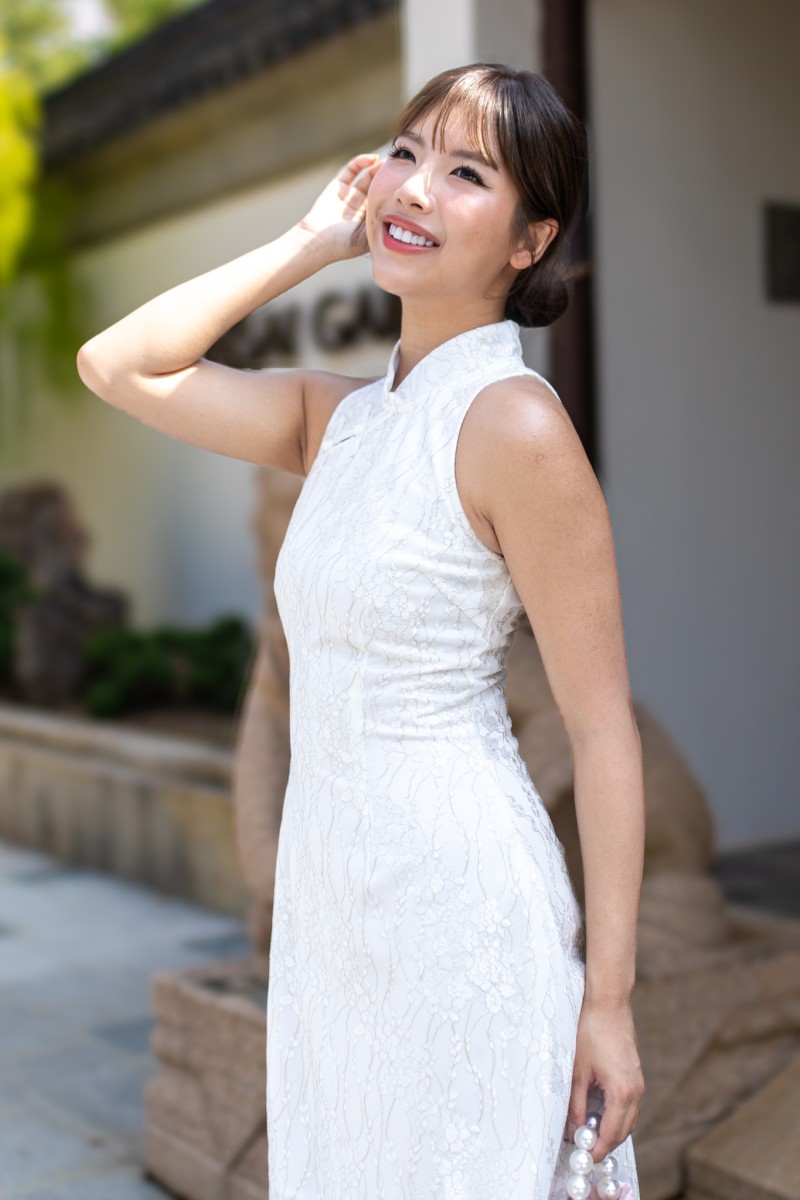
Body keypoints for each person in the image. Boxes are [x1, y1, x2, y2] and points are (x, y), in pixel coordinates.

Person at [77, 61, 645, 1200]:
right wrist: (306, 241)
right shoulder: (333, 419)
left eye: (465, 172)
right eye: (407, 152)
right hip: (332, 906)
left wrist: (610, 1003)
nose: (416, 189)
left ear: (528, 241)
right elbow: (118, 364)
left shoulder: (516, 424)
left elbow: (600, 732)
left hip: (461, 908)